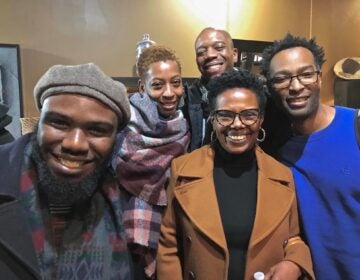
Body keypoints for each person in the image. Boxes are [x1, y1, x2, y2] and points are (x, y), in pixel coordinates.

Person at [157, 70, 314, 280]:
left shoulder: (282, 175)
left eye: (249, 114)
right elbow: (168, 246)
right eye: (225, 115)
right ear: (212, 118)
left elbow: (293, 238)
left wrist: (294, 264)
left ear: (261, 119)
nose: (237, 124)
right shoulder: (183, 170)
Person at [0, 63, 133, 279]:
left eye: (97, 130)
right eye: (59, 123)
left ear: (115, 139)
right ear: (39, 121)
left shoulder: (127, 202)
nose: (75, 144)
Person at [260, 33, 360, 280]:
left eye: (305, 74)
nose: (295, 86)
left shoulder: (355, 126)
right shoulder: (274, 148)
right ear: (271, 87)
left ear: (319, 76)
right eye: (282, 79)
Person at [113, 45, 190, 279]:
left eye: (175, 82)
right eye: (158, 85)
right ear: (142, 87)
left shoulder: (185, 126)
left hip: (170, 229)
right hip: (124, 227)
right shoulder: (122, 123)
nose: (169, 93)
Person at [183, 27, 238, 151]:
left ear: (234, 54)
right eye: (201, 52)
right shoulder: (186, 99)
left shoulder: (255, 94)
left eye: (219, 48)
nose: (210, 55)